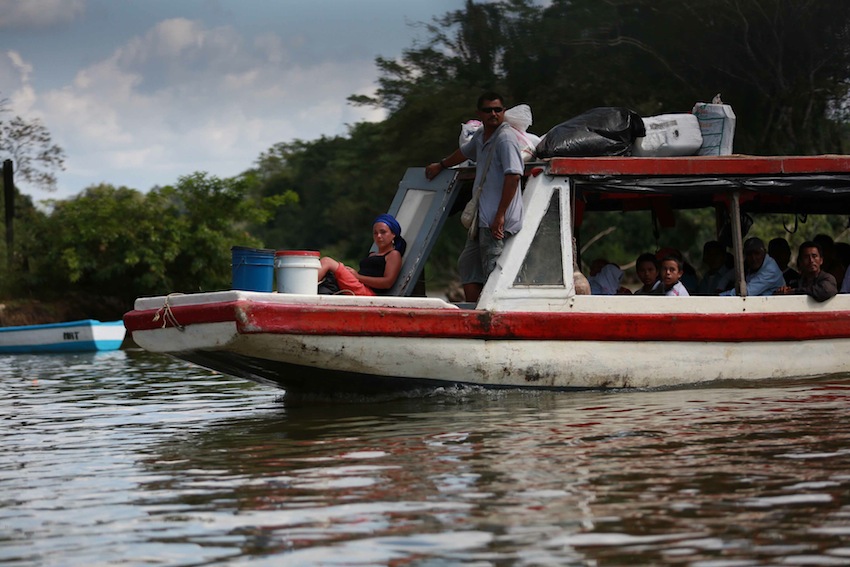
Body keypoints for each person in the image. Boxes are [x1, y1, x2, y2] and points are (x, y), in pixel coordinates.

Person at [425, 92, 524, 302]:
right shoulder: (481, 136)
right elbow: (464, 153)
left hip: (497, 221)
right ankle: (476, 308)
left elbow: (513, 176)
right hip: (483, 219)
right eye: (488, 110)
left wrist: (500, 215)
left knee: (493, 271)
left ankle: (493, 314)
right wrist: (441, 165)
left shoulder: (505, 139)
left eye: (498, 110)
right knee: (468, 263)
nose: (493, 114)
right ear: (479, 114)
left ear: (504, 112)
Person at [316, 214, 406, 296]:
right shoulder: (372, 254)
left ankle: (304, 289)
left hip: (368, 293)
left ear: (393, 234)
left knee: (327, 261)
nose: (378, 236)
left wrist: (358, 277)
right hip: (360, 285)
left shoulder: (393, 254)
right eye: (375, 233)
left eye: (383, 232)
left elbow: (387, 283)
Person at [720, 237, 785, 297]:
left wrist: (719, 297)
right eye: (749, 254)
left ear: (764, 253)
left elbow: (746, 292)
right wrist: (720, 288)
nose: (753, 258)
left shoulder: (771, 270)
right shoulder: (748, 265)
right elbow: (728, 276)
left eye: (757, 253)